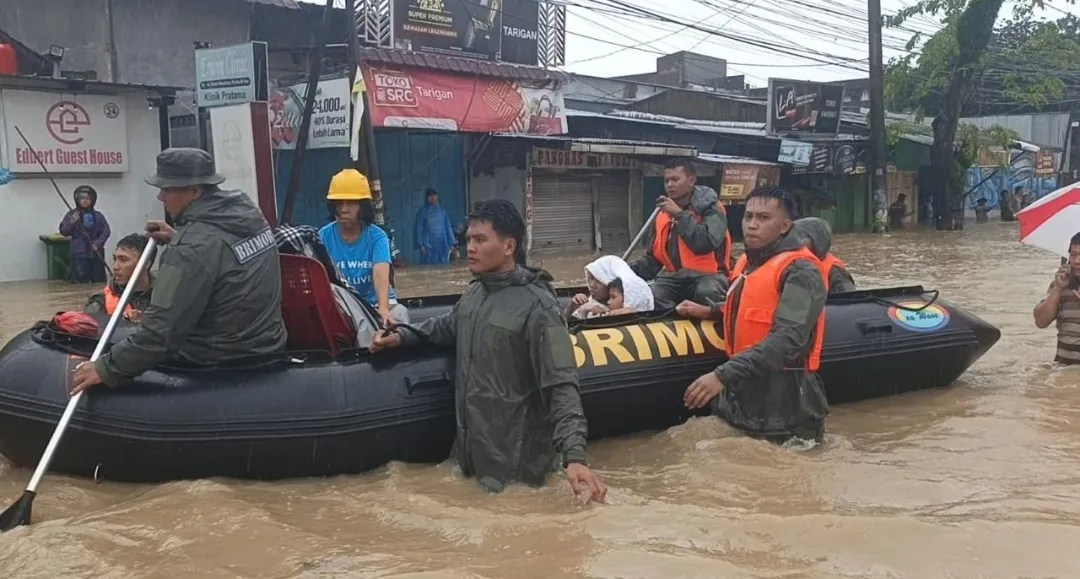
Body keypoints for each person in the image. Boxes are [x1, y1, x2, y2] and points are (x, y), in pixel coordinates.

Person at [369, 199, 606, 503]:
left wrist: (575, 456)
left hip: (517, 472)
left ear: (509, 246)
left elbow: (561, 385)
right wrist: (401, 337)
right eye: (468, 239)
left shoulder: (539, 306)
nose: (470, 247)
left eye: (480, 240)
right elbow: (446, 326)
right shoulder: (474, 294)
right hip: (471, 457)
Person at [71, 148, 287, 393]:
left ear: (195, 191)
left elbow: (161, 334)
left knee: (115, 341)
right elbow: (221, 257)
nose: (161, 197)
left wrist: (106, 369)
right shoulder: (249, 216)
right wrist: (177, 237)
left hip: (219, 357)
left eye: (167, 189)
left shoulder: (190, 249)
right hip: (266, 344)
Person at [682, 186, 830, 445]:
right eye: (748, 216)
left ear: (785, 226)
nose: (752, 225)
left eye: (763, 218)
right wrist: (712, 310)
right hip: (741, 397)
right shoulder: (746, 264)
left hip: (784, 407)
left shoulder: (800, 271)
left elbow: (789, 339)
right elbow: (753, 309)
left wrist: (721, 375)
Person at [630, 158, 731, 311]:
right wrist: (624, 268)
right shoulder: (662, 214)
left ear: (691, 180)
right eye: (667, 180)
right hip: (675, 278)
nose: (670, 185)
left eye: (675, 179)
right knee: (652, 294)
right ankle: (671, 327)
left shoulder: (712, 208)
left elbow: (704, 243)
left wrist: (679, 215)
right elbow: (654, 261)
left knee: (706, 292)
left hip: (709, 277)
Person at [320, 169, 409, 328]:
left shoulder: (377, 236)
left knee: (400, 317)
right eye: (339, 203)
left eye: (351, 203)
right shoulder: (323, 236)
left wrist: (383, 309)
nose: (344, 209)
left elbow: (381, 275)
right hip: (343, 305)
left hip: (376, 303)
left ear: (362, 207)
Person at [83, 233, 156, 322]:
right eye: (115, 259)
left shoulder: (169, 296)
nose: (115, 267)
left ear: (146, 264)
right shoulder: (100, 301)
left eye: (123, 259)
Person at [1033, 232, 1080, 365]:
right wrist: (1058, 289)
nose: (1077, 261)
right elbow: (1041, 322)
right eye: (1073, 255)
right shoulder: (1061, 283)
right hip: (1064, 369)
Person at [567, 255, 654, 319]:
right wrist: (573, 306)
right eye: (591, 279)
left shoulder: (634, 309)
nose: (592, 285)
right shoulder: (590, 304)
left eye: (598, 280)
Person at [59, 185, 111, 284]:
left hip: (96, 253)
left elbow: (106, 231)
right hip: (79, 254)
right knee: (79, 284)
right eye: (82, 198)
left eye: (88, 198)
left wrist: (98, 243)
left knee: (99, 282)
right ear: (77, 199)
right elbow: (64, 231)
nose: (85, 201)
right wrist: (72, 221)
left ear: (93, 200)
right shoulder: (72, 214)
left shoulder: (98, 216)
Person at [793, 217, 855, 293]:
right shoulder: (790, 266)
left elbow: (849, 301)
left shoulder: (836, 274)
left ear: (816, 242)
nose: (796, 245)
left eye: (801, 240)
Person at [414, 188, 457, 265]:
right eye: (430, 196)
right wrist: (420, 245)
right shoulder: (422, 212)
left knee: (443, 268)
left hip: (443, 246)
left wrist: (451, 243)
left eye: (434, 195)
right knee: (428, 270)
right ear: (426, 198)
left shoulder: (442, 212)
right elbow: (418, 229)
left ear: (437, 196)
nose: (432, 197)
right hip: (428, 247)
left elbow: (448, 227)